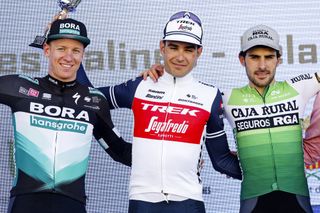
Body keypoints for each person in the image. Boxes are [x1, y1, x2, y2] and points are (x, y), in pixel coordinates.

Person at [77, 11, 242, 213]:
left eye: (188, 50)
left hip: (189, 203)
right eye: (173, 47)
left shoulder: (210, 95)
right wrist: (70, 51)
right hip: (142, 201)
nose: (180, 57)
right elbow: (88, 97)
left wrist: (276, 174)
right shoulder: (141, 86)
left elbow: (222, 160)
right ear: (162, 47)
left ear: (199, 52)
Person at [145, 24, 320, 212]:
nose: (262, 66)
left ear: (278, 60)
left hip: (299, 203)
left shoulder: (298, 87)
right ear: (242, 59)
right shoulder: (225, 99)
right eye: (254, 57)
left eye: (269, 57)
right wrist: (163, 77)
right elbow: (219, 159)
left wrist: (312, 143)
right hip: (252, 203)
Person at [2, 18, 131, 213]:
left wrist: (176, 155)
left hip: (72, 204)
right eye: (61, 48)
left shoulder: (94, 100)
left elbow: (120, 151)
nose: (68, 57)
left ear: (83, 54)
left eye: (76, 50)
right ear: (47, 50)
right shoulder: (20, 88)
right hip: (25, 202)